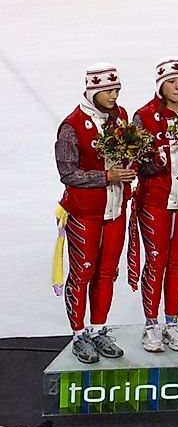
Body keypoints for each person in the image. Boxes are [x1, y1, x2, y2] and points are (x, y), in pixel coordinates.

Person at [55, 64, 133, 364]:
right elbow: (68, 173)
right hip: (85, 213)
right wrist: (105, 177)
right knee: (83, 273)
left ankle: (99, 329)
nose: (114, 96)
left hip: (115, 210)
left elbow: (128, 155)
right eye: (108, 91)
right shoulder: (72, 125)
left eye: (116, 90)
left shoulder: (122, 117)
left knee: (106, 273)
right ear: (93, 91)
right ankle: (78, 333)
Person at [131, 58, 178, 352]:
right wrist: (152, 162)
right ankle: (151, 325)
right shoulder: (144, 116)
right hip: (156, 200)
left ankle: (172, 323)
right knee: (156, 260)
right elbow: (134, 158)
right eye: (173, 81)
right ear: (160, 85)